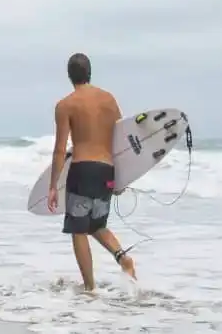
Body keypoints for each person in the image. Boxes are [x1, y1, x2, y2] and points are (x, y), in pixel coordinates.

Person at [45, 52, 137, 291]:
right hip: (106, 170)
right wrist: (122, 176)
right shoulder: (109, 99)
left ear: (69, 76)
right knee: (96, 224)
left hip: (82, 171)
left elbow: (59, 150)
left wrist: (53, 186)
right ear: (90, 72)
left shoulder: (66, 105)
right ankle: (123, 258)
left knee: (78, 229)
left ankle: (90, 289)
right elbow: (121, 138)